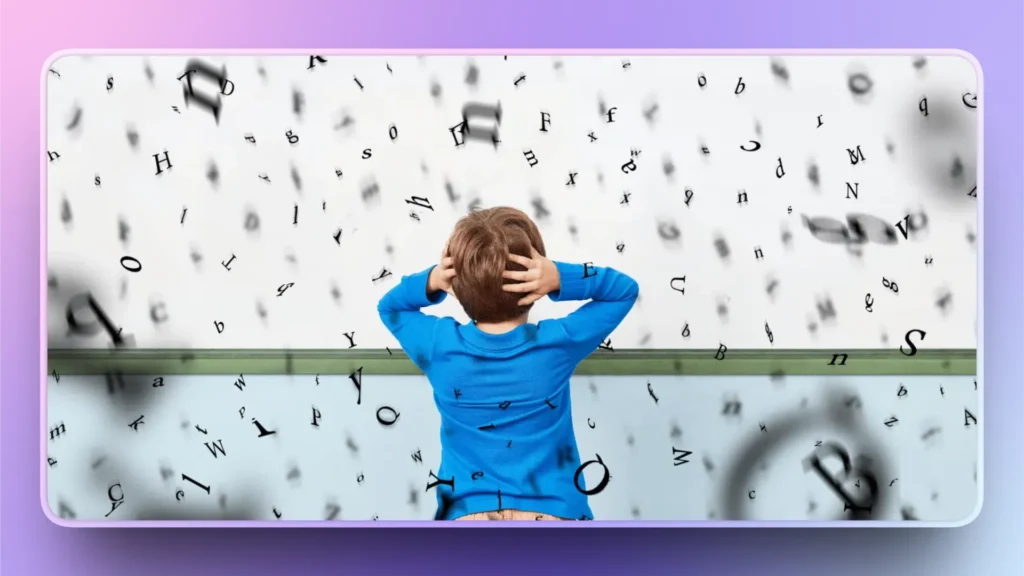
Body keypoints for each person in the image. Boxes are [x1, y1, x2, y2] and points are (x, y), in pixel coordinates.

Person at [377, 206, 639, 520]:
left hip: (467, 515)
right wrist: (558, 277)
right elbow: (624, 291)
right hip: (552, 514)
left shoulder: (438, 346)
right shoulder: (558, 344)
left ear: (457, 286)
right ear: (534, 285)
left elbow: (390, 307)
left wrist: (433, 279)